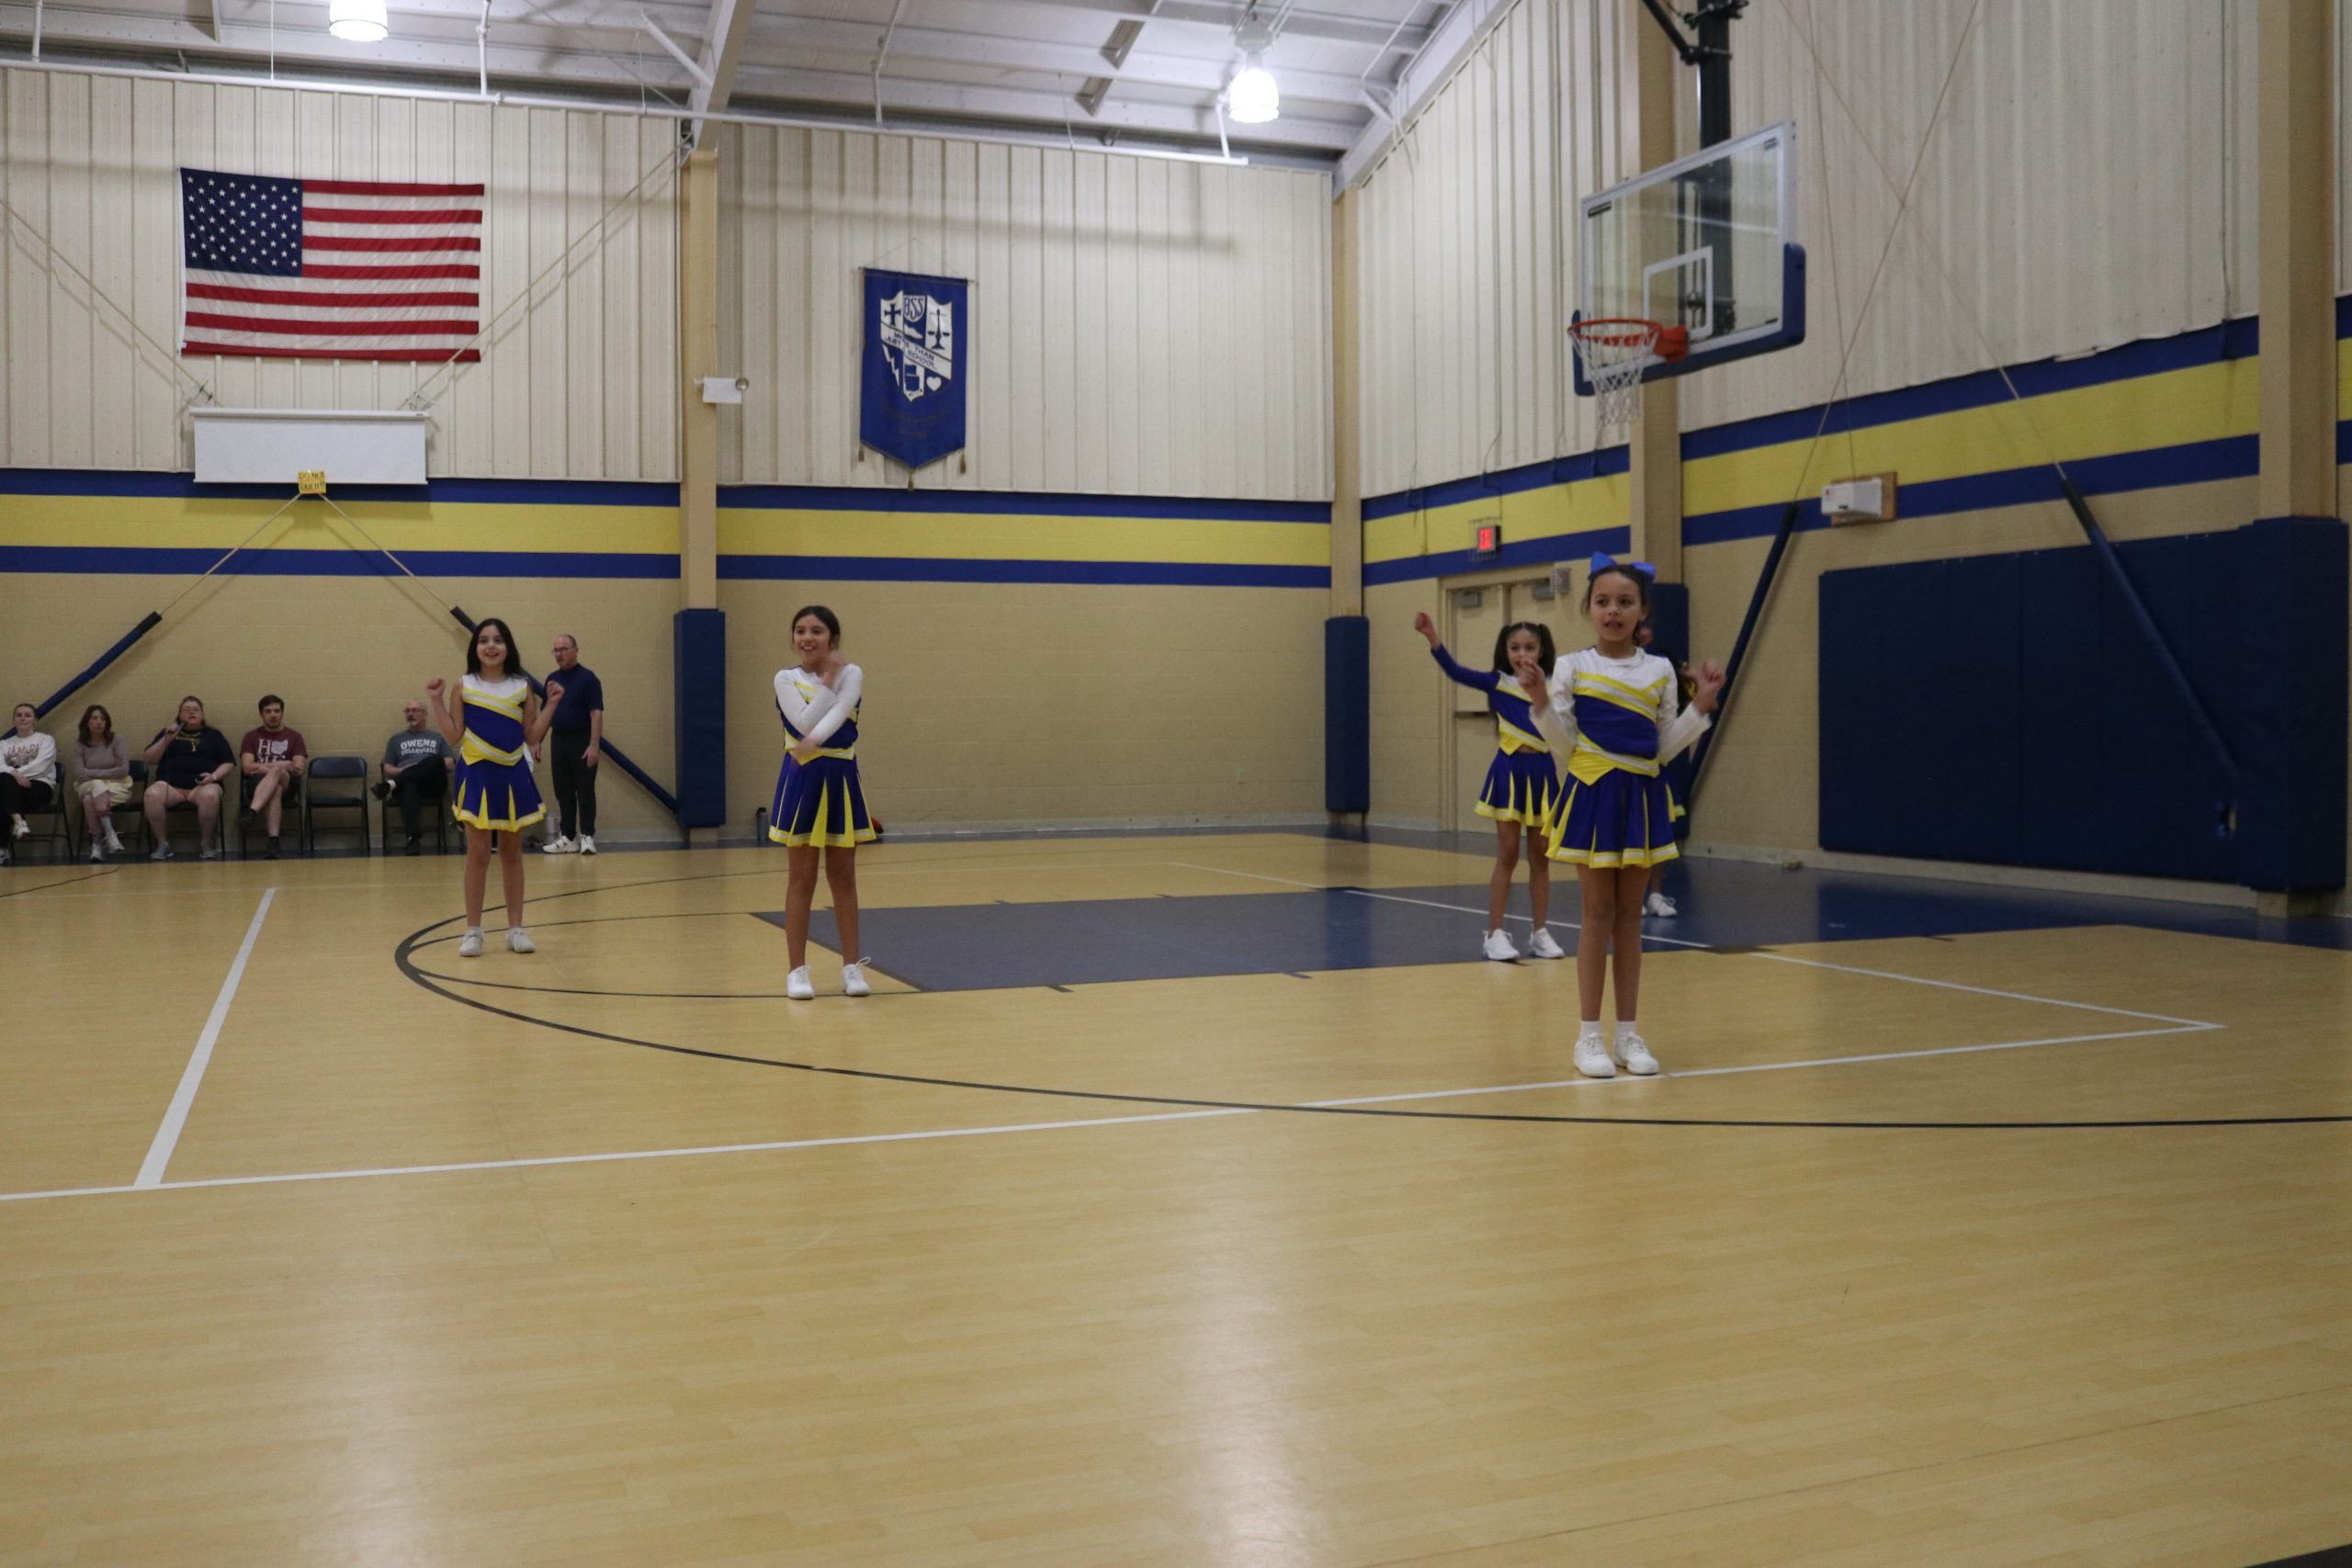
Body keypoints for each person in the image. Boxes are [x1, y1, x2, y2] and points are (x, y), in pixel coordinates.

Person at [1521, 556, 1723, 1079]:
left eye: (1625, 603)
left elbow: (1664, 746)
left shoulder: (1659, 670)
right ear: (1589, 609)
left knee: (1631, 919)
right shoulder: (1573, 666)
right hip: (1592, 796)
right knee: (1597, 914)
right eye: (1603, 602)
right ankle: (1588, 1035)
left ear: (1642, 612)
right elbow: (1565, 746)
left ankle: (1627, 1033)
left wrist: (1700, 708)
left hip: (1642, 798)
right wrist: (1541, 703)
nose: (1613, 611)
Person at [1412, 611, 1566, 963]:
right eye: (1515, 648)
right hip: (1510, 771)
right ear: (1506, 651)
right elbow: (1456, 671)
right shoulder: (1497, 682)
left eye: (1529, 647)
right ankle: (1494, 934)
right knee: (1508, 854)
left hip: (1543, 773)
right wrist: (1433, 638)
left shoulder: (1555, 686)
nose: (1522, 654)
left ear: (1541, 650)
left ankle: (1540, 932)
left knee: (1541, 857)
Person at [428, 617, 562, 956]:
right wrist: (437, 701)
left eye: (498, 640)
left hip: (512, 775)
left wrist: (551, 705)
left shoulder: (521, 686)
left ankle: (515, 929)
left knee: (512, 854)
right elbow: (453, 736)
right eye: (484, 640)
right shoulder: (464, 685)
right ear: (475, 648)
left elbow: (532, 736)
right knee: (477, 854)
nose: (491, 646)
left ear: (508, 647)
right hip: (477, 774)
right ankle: (473, 931)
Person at [770, 604, 874, 1000]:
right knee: (802, 877)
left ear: (833, 638)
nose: (807, 638)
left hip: (841, 777)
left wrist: (812, 740)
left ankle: (851, 967)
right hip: (803, 781)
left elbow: (836, 717)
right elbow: (803, 722)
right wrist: (827, 681)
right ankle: (797, 971)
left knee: (844, 878)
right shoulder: (785, 678)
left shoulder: (853, 673)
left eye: (816, 630)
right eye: (800, 630)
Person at [1634, 622, 1694, 919]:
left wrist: (1695, 682)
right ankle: (1633, 896)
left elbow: (1688, 696)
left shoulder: (1662, 662)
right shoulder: (1604, 665)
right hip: (1629, 767)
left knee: (1658, 835)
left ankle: (1656, 894)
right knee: (1632, 835)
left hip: (1659, 765)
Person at [142, 696, 236, 861]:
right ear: (179, 715)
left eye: (196, 709)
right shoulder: (168, 733)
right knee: (151, 794)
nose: (191, 712)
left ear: (202, 714)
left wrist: (213, 777)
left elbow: (229, 763)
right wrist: (166, 739)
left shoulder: (213, 735)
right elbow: (149, 759)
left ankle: (206, 842)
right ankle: (163, 844)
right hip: (171, 788)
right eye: (186, 709)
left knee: (210, 795)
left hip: (202, 786)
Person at [539, 633, 605, 856]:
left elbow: (596, 714)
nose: (559, 654)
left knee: (585, 790)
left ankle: (587, 836)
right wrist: (537, 742)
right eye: (556, 650)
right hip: (559, 740)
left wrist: (594, 745)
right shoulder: (551, 680)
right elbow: (546, 715)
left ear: (575, 650)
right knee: (563, 790)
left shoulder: (588, 679)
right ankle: (568, 837)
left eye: (563, 649)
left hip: (582, 740)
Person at [374, 698, 457, 854]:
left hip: (432, 785)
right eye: (407, 711)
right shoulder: (396, 739)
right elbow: (387, 767)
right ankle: (413, 839)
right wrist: (401, 771)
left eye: (414, 710)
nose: (410, 714)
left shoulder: (437, 737)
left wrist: (419, 767)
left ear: (425, 714)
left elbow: (450, 763)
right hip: (406, 786)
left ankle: (390, 785)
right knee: (409, 785)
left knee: (434, 760)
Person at [238, 694, 309, 860]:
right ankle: (273, 842)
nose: (273, 715)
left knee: (277, 772)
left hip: (288, 782)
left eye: (277, 711)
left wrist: (264, 767)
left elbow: (298, 768)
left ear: (282, 713)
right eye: (268, 711)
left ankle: (252, 812)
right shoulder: (251, 736)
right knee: (275, 789)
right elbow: (247, 767)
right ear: (261, 714)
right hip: (257, 784)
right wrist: (283, 763)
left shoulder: (295, 736)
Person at [0, 703, 59, 865]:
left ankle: (2, 847)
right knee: (3, 786)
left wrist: (15, 773)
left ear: (35, 719)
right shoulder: (4, 744)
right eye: (19, 715)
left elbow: (42, 766)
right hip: (11, 788)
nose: (23, 718)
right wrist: (13, 774)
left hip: (38, 787)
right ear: (14, 720)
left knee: (3, 786)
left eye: (27, 715)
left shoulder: (45, 740)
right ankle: (19, 822)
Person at [72, 705, 130, 862]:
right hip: (86, 785)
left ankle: (97, 844)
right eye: (94, 718)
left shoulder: (117, 740)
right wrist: (104, 773)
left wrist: (92, 772)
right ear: (87, 722)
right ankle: (110, 833)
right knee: (96, 785)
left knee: (89, 800)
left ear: (107, 723)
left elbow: (123, 770)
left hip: (115, 785)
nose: (99, 722)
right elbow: (80, 775)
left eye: (103, 719)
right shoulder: (80, 745)